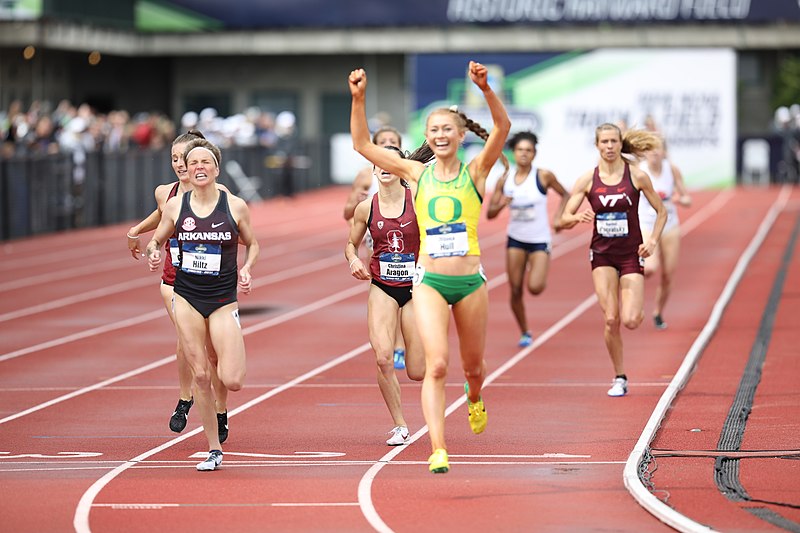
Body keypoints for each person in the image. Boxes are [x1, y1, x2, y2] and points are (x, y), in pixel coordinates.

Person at [349, 60, 511, 474]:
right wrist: (359, 97)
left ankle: (474, 397)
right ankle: (438, 448)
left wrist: (486, 89)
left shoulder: (476, 171)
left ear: (459, 136)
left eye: (446, 129)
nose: (440, 135)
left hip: (470, 282)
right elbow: (364, 145)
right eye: (433, 130)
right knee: (435, 366)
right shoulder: (416, 174)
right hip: (430, 282)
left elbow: (502, 129)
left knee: (472, 367)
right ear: (426, 137)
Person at [146, 138, 259, 471]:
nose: (197, 167)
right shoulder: (175, 206)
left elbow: (253, 244)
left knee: (232, 378)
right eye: (192, 162)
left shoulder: (235, 206)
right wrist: (153, 249)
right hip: (187, 298)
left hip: (223, 300)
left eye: (205, 162)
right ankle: (213, 449)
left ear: (216, 169)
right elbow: (158, 237)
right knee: (201, 375)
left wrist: (248, 267)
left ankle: (223, 410)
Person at [126, 131, 231, 444]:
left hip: (212, 280)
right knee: (188, 340)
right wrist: (139, 233)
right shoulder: (165, 192)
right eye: (174, 159)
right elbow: (163, 217)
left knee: (214, 353)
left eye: (184, 158)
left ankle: (221, 409)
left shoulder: (219, 193)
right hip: (174, 279)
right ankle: (186, 398)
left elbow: (234, 226)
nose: (179, 164)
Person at [558, 123, 666, 398]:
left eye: (613, 142)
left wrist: (652, 241)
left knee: (630, 320)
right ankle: (619, 376)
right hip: (602, 255)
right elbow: (563, 219)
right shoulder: (586, 180)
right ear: (597, 145)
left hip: (631, 254)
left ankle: (639, 308)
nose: (608, 147)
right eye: (603, 142)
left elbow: (661, 212)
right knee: (611, 319)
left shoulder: (637, 176)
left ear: (620, 144)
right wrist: (576, 217)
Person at [344, 145, 427, 446]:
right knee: (382, 358)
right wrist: (353, 260)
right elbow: (350, 244)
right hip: (382, 286)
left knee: (417, 371)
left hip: (416, 289)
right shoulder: (366, 208)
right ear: (373, 169)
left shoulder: (418, 201)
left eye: (392, 161)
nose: (384, 166)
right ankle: (400, 425)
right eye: (379, 162)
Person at [487, 131, 569, 347]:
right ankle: (524, 331)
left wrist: (559, 217)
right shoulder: (504, 180)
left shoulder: (543, 176)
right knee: (514, 289)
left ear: (534, 154)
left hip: (539, 239)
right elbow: (490, 213)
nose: (524, 154)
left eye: (528, 151)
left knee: (535, 287)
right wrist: (503, 202)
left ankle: (538, 267)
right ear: (513, 153)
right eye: (520, 150)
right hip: (516, 239)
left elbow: (566, 194)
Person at [342, 126, 408, 370]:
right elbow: (348, 213)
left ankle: (405, 341)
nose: (387, 146)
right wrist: (354, 259)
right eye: (383, 143)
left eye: (393, 142)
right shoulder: (366, 176)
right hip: (376, 237)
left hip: (408, 243)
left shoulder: (414, 187)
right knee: (385, 282)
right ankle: (393, 344)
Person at [638, 143, 691, 329]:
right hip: (647, 224)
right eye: (650, 148)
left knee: (668, 274)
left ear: (664, 152)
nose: (653, 152)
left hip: (669, 225)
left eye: (657, 148)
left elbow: (687, 198)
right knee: (650, 267)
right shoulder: (640, 171)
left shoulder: (672, 170)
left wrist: (679, 199)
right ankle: (630, 287)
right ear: (645, 152)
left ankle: (658, 312)